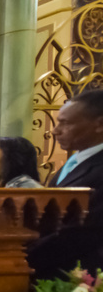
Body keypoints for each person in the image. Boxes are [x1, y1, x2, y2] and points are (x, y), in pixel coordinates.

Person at [30, 90, 103, 278]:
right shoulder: (75, 162)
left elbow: (85, 230)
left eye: (66, 123)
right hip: (52, 270)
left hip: (79, 275)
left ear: (99, 124)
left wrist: (21, 255)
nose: (55, 130)